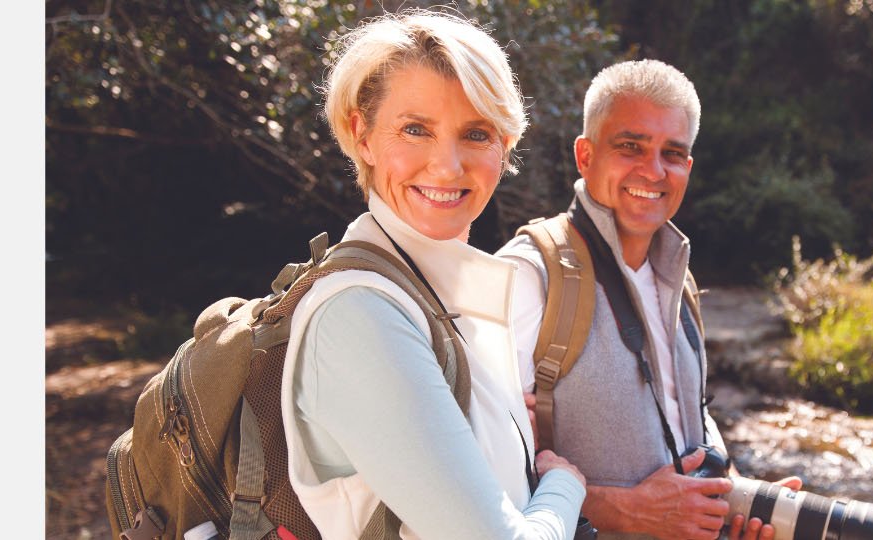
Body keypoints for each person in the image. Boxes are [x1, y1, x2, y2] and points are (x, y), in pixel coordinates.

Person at [280, 10, 588, 539]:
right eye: (415, 129)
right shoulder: (361, 313)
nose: (446, 166)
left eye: (476, 133)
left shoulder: (443, 295)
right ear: (363, 136)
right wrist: (564, 486)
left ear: (504, 147)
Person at [498, 60, 801, 540]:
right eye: (630, 146)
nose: (654, 170)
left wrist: (733, 492)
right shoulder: (530, 275)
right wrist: (622, 511)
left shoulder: (679, 276)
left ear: (688, 167)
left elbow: (688, 412)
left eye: (673, 153)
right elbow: (478, 471)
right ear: (585, 154)